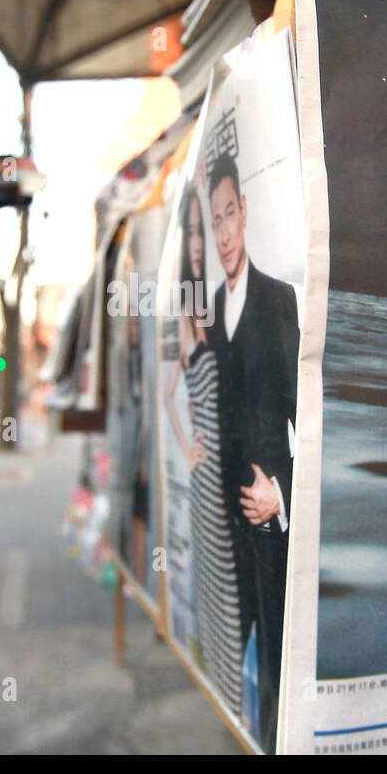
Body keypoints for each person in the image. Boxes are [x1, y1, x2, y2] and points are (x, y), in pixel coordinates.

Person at [205, 153, 299, 753]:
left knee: (278, 666)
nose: (224, 233)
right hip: (226, 529)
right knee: (233, 660)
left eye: (231, 214)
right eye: (214, 221)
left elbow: (310, 419)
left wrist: (281, 494)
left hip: (270, 528)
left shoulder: (281, 300)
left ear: (247, 213)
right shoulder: (214, 308)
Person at [163, 184, 241, 714]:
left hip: (228, 469)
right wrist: (187, 443)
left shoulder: (215, 304)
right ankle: (225, 697)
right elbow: (168, 391)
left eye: (201, 230)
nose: (198, 242)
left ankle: (234, 701)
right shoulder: (186, 315)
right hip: (206, 479)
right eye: (191, 230)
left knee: (232, 596)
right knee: (220, 600)